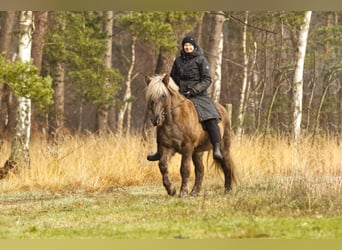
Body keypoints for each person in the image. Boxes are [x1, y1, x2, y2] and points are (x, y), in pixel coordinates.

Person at [147, 35, 223, 161]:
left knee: (211, 117)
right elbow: (173, 78)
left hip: (199, 95)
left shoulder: (201, 60)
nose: (187, 47)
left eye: (190, 45)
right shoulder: (178, 61)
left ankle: (216, 147)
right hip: (181, 94)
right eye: (185, 45)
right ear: (183, 47)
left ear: (194, 46)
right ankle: (160, 151)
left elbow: (207, 79)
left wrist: (194, 90)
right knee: (163, 117)